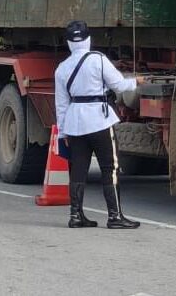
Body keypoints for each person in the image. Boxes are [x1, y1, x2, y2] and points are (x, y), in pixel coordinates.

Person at [54, 20, 144, 230]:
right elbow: (119, 85)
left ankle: (76, 215)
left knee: (78, 169)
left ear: (68, 42)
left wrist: (62, 132)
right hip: (99, 119)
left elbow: (61, 104)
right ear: (88, 40)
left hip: (75, 122)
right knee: (109, 167)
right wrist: (136, 81)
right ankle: (115, 216)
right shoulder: (98, 60)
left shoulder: (62, 69)